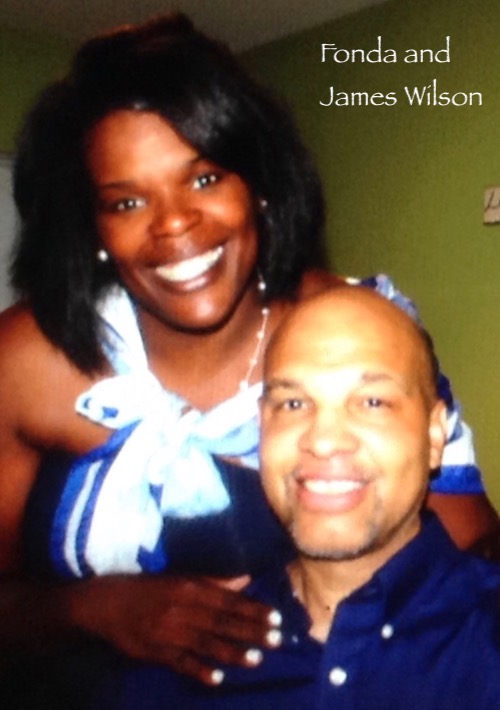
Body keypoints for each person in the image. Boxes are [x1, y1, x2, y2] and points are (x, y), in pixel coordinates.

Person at [0, 11, 497, 706]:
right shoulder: (27, 360)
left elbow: (471, 557)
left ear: (258, 185)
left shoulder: (346, 333)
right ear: (93, 228)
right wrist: (98, 609)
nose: (175, 225)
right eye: (127, 201)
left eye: (205, 179)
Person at [98, 286, 500, 709]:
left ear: (435, 436)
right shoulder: (171, 677)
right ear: (262, 429)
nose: (323, 441)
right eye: (293, 404)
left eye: (372, 402)